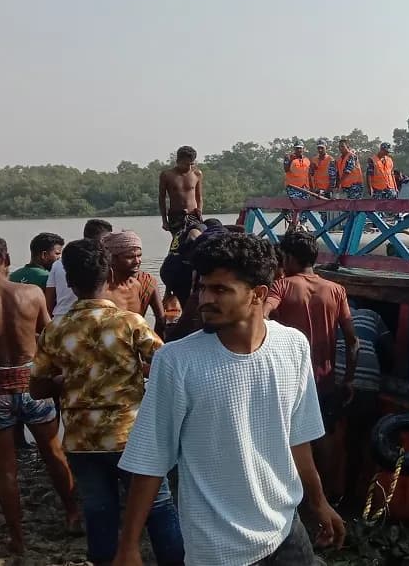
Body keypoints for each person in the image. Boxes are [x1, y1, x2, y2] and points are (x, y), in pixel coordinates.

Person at [115, 234, 344, 566]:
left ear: (258, 294)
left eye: (220, 290)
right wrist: (128, 546)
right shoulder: (177, 362)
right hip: (218, 549)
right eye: (202, 288)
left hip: (286, 531)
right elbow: (151, 459)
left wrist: (319, 502)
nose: (205, 299)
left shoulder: (293, 346)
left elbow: (298, 438)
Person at [30, 238, 184, 566]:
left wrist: (65, 379)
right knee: (158, 507)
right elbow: (168, 366)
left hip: (81, 439)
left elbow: (37, 389)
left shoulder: (55, 330)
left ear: (69, 281)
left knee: (99, 512)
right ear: (109, 273)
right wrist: (134, 370)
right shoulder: (130, 323)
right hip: (132, 435)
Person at [0, 235, 79, 555]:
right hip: (33, 385)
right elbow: (49, 337)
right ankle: (72, 514)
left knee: (6, 469)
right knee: (54, 453)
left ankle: (17, 538)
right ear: (6, 259)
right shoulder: (32, 293)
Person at [265, 232, 358, 496]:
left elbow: (262, 315)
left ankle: (291, 494)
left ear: (289, 257)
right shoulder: (336, 290)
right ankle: (326, 495)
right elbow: (353, 341)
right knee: (323, 435)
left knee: (287, 439)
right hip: (325, 381)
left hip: (289, 380)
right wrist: (348, 379)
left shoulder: (281, 286)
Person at [332, 298, 393, 496]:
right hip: (368, 383)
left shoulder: (333, 316)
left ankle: (331, 491)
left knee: (330, 436)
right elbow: (389, 347)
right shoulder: (373, 316)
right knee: (358, 440)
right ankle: (352, 494)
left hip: (339, 379)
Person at [46, 219, 113, 320]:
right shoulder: (104, 263)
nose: (109, 244)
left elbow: (48, 301)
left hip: (61, 319)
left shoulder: (59, 263)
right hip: (95, 317)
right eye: (106, 240)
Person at [102, 231, 165, 338]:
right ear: (112, 258)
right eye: (129, 257)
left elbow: (161, 320)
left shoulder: (148, 282)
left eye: (139, 256)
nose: (137, 261)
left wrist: (157, 345)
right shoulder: (101, 287)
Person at [159, 145, 204, 237]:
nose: (189, 167)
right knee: (179, 241)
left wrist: (200, 212)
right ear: (178, 161)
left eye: (192, 164)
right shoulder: (167, 175)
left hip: (193, 215)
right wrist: (164, 220)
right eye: (187, 164)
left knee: (197, 239)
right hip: (176, 216)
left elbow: (199, 196)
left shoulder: (197, 174)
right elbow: (161, 198)